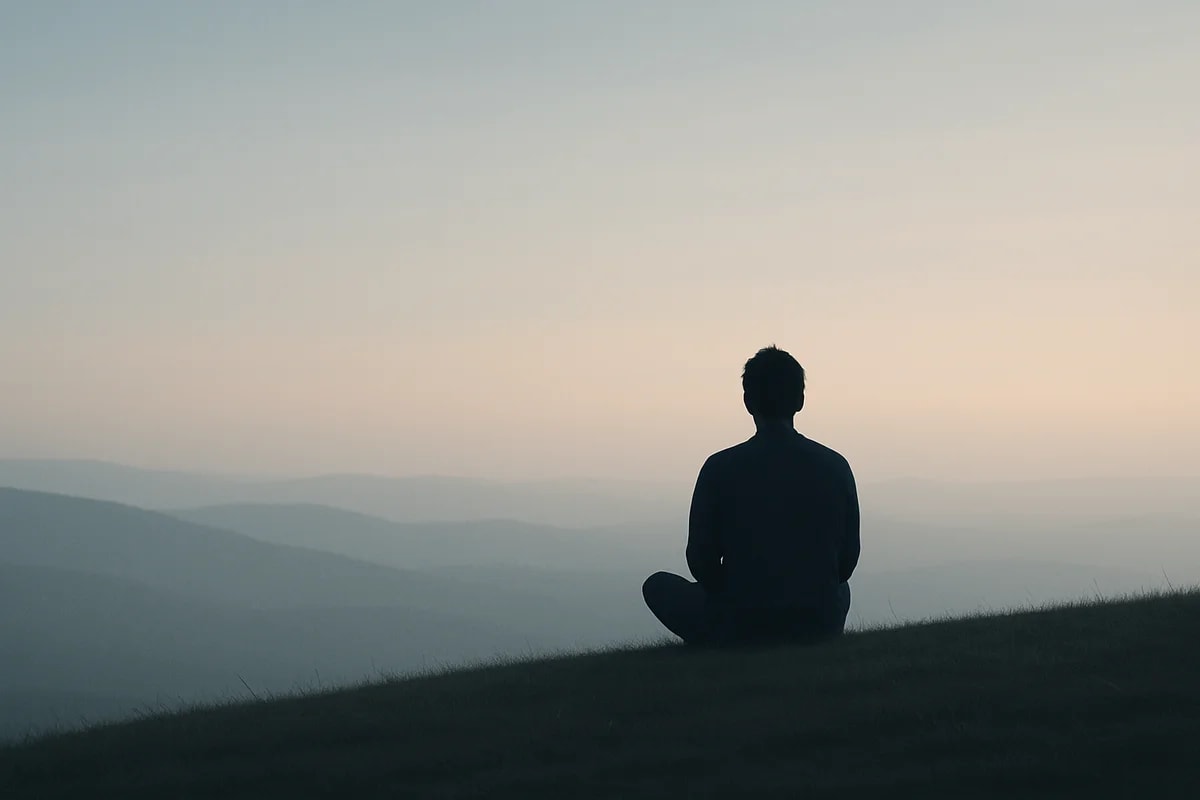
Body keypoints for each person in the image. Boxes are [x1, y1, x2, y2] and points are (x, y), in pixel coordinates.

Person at [642, 345, 860, 646]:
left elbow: (700, 561)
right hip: (818, 621)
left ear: (747, 402)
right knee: (842, 588)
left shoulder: (719, 468)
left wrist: (736, 594)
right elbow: (847, 562)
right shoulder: (835, 466)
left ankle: (728, 639)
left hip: (741, 624)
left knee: (657, 586)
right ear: (800, 401)